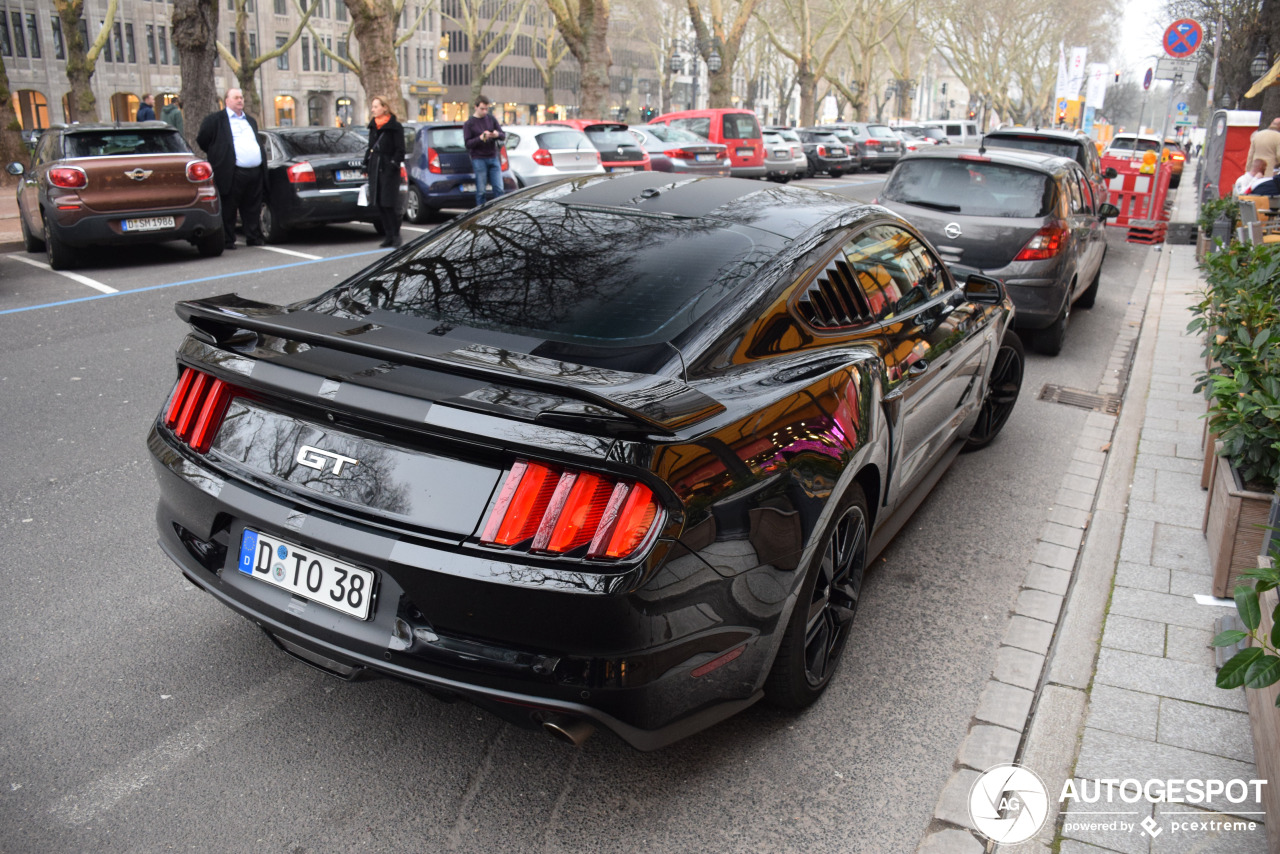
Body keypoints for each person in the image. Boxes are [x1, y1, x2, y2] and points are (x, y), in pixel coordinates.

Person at [196, 88, 267, 249]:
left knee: (252, 207)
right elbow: (203, 140)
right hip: (232, 171)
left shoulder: (250, 120)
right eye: (236, 98)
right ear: (227, 101)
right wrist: (220, 155)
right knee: (229, 207)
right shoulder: (216, 120)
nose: (240, 100)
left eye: (241, 97)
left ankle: (253, 236)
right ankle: (228, 239)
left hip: (255, 171)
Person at [363, 96, 406, 248]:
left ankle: (396, 235)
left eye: (376, 107)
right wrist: (365, 163)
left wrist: (393, 164)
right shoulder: (373, 126)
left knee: (389, 203)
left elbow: (400, 149)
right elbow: (370, 147)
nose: (373, 110)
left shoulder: (395, 126)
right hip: (375, 167)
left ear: (384, 108)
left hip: (388, 168)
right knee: (380, 203)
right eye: (372, 107)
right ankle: (388, 235)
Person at [463, 95, 506, 207]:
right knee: (481, 190)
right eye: (482, 109)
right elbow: (468, 144)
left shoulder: (491, 119)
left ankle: (500, 211)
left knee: (499, 188)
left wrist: (496, 134)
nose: (485, 111)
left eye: (486, 109)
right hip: (478, 158)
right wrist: (480, 138)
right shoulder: (469, 123)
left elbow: (503, 135)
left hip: (493, 156)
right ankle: (480, 213)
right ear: (476, 107)